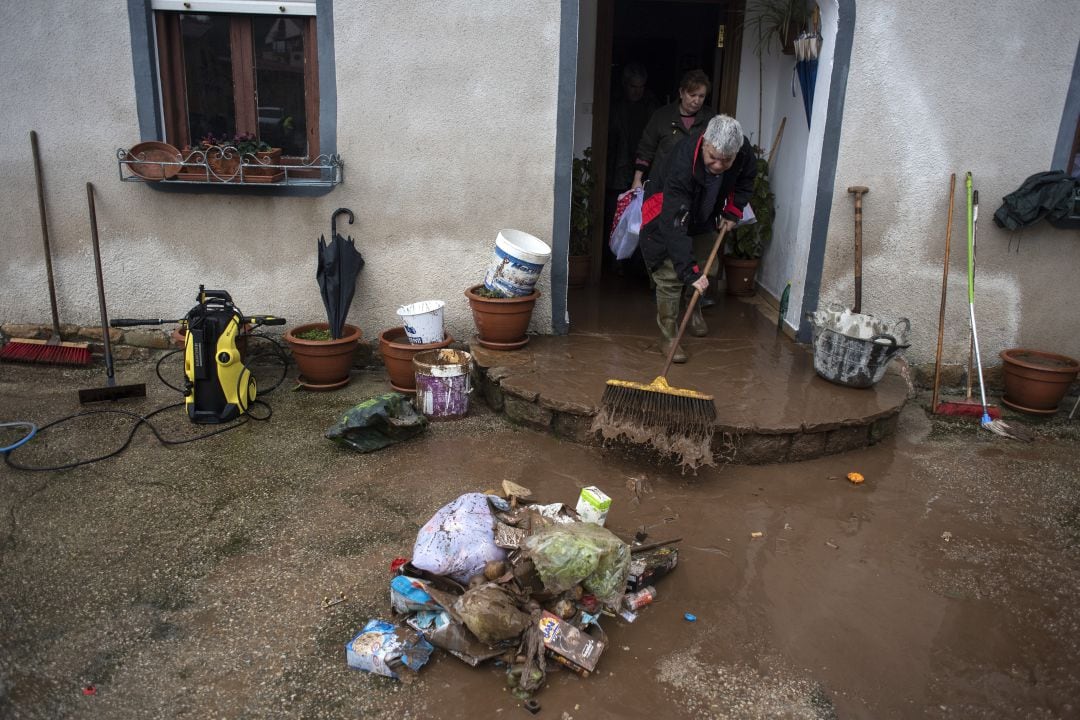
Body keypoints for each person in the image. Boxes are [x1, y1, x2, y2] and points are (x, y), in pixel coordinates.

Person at [638, 114, 757, 363]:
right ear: (704, 143)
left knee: (705, 266)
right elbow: (674, 223)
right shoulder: (682, 161)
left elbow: (746, 179)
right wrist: (688, 272)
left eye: (726, 161)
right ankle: (669, 336)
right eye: (712, 158)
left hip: (704, 210)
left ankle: (694, 309)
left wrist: (733, 210)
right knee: (671, 273)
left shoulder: (742, 150)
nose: (717, 165)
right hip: (666, 211)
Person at [630, 69, 716, 193]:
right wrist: (637, 179)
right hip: (661, 185)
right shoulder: (662, 116)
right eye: (692, 95)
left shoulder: (710, 118)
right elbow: (646, 148)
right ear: (681, 93)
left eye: (701, 96)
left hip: (695, 187)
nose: (697, 101)